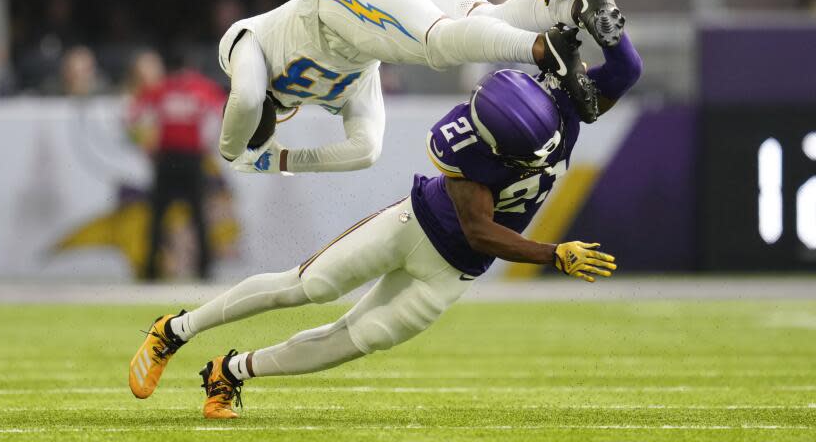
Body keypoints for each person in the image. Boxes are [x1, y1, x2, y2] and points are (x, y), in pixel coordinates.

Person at [128, 24, 643, 418]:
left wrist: (609, 30)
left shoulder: (562, 110)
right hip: (416, 225)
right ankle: (175, 329)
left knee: (359, 338)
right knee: (309, 286)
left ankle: (229, 372)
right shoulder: (464, 144)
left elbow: (625, 72)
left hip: (454, 272)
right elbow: (478, 229)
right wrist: (553, 253)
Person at [218, 0, 624, 176]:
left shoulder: (244, 41)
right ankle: (574, 5)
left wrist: (234, 153)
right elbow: (366, 150)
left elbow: (248, 99)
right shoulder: (347, 84)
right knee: (485, 19)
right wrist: (284, 160)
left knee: (438, 43)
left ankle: (542, 49)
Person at [129, 60, 226, 280]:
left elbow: (134, 113)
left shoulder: (162, 88)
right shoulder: (201, 87)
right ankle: (203, 270)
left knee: (159, 217)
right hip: (190, 159)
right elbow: (224, 111)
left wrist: (145, 144)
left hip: (168, 159)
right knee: (197, 215)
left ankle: (152, 270)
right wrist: (211, 145)